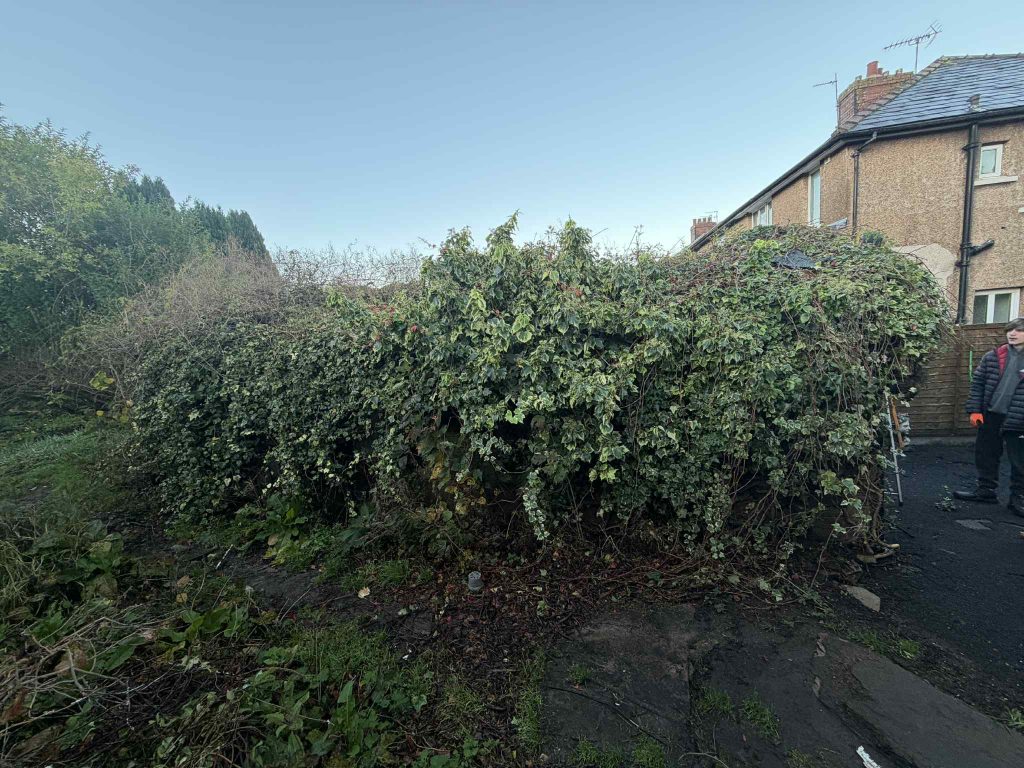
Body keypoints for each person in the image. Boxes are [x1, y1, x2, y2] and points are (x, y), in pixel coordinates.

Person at [954, 318, 1024, 516]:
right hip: (991, 414)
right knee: (986, 454)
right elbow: (978, 384)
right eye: (1010, 330)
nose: (1012, 334)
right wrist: (975, 410)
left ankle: (1018, 499)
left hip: (1019, 419)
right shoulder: (993, 356)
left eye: (1018, 331)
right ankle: (986, 491)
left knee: (1020, 461)